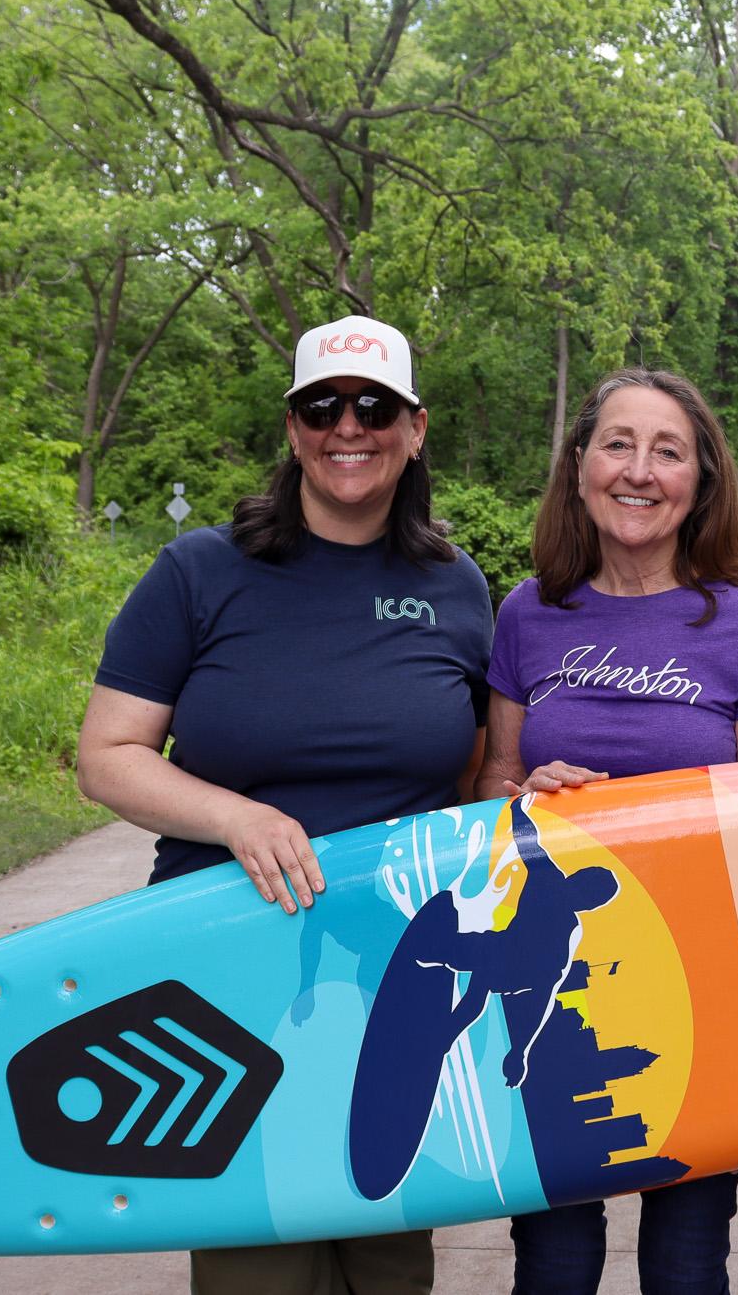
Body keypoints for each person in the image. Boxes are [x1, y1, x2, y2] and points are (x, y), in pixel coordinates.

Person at [75, 313, 492, 1295]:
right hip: (228, 960)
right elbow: (107, 755)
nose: (348, 426)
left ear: (414, 426)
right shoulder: (198, 572)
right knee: (254, 1260)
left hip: (400, 972)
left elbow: (472, 780)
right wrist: (236, 817)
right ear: (293, 424)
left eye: (373, 405)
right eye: (322, 405)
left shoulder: (458, 587)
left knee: (390, 1252)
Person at [473, 368, 738, 1295]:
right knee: (553, 1258)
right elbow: (490, 784)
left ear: (702, 481)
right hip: (551, 988)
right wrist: (524, 787)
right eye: (618, 443)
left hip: (699, 987)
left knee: (689, 1262)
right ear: (579, 465)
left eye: (669, 451)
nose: (640, 470)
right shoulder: (527, 612)